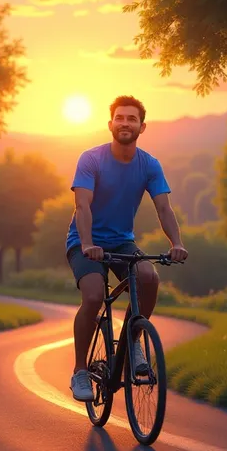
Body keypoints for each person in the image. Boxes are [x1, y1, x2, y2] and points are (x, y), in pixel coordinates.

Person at [65, 95, 188, 402]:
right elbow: (82, 204)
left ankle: (132, 338)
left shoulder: (149, 165)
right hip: (85, 240)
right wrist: (88, 243)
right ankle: (80, 370)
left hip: (122, 240)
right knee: (94, 295)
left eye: (131, 119)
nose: (125, 123)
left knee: (149, 276)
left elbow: (164, 208)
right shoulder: (91, 159)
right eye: (120, 118)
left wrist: (177, 243)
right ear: (110, 124)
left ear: (142, 127)